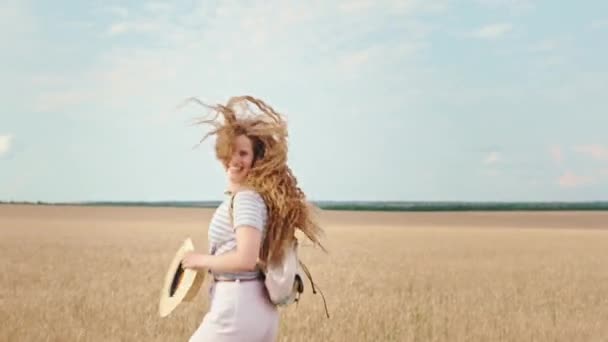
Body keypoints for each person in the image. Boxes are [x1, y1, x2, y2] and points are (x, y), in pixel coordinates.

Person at [180, 95, 326, 342]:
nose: (235, 160)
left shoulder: (247, 200)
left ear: (256, 159)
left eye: (243, 153)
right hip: (255, 307)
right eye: (230, 152)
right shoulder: (254, 198)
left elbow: (246, 259)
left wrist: (200, 260)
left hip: (238, 305)